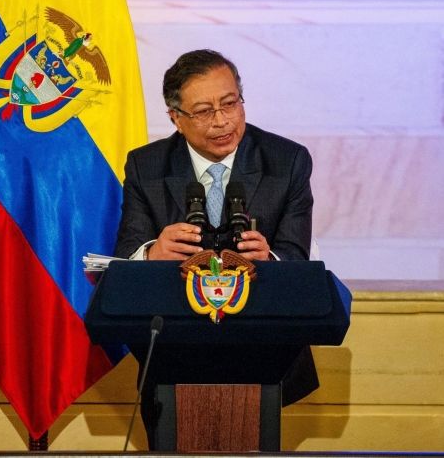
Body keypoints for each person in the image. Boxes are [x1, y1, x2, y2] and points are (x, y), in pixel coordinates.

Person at [114, 49, 318, 450]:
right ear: (176, 117)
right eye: (204, 111)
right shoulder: (145, 167)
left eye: (230, 103)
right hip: (172, 357)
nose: (222, 121)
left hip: (264, 355)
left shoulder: (287, 161)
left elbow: (295, 260)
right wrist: (152, 254)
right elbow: (125, 260)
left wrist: (270, 260)